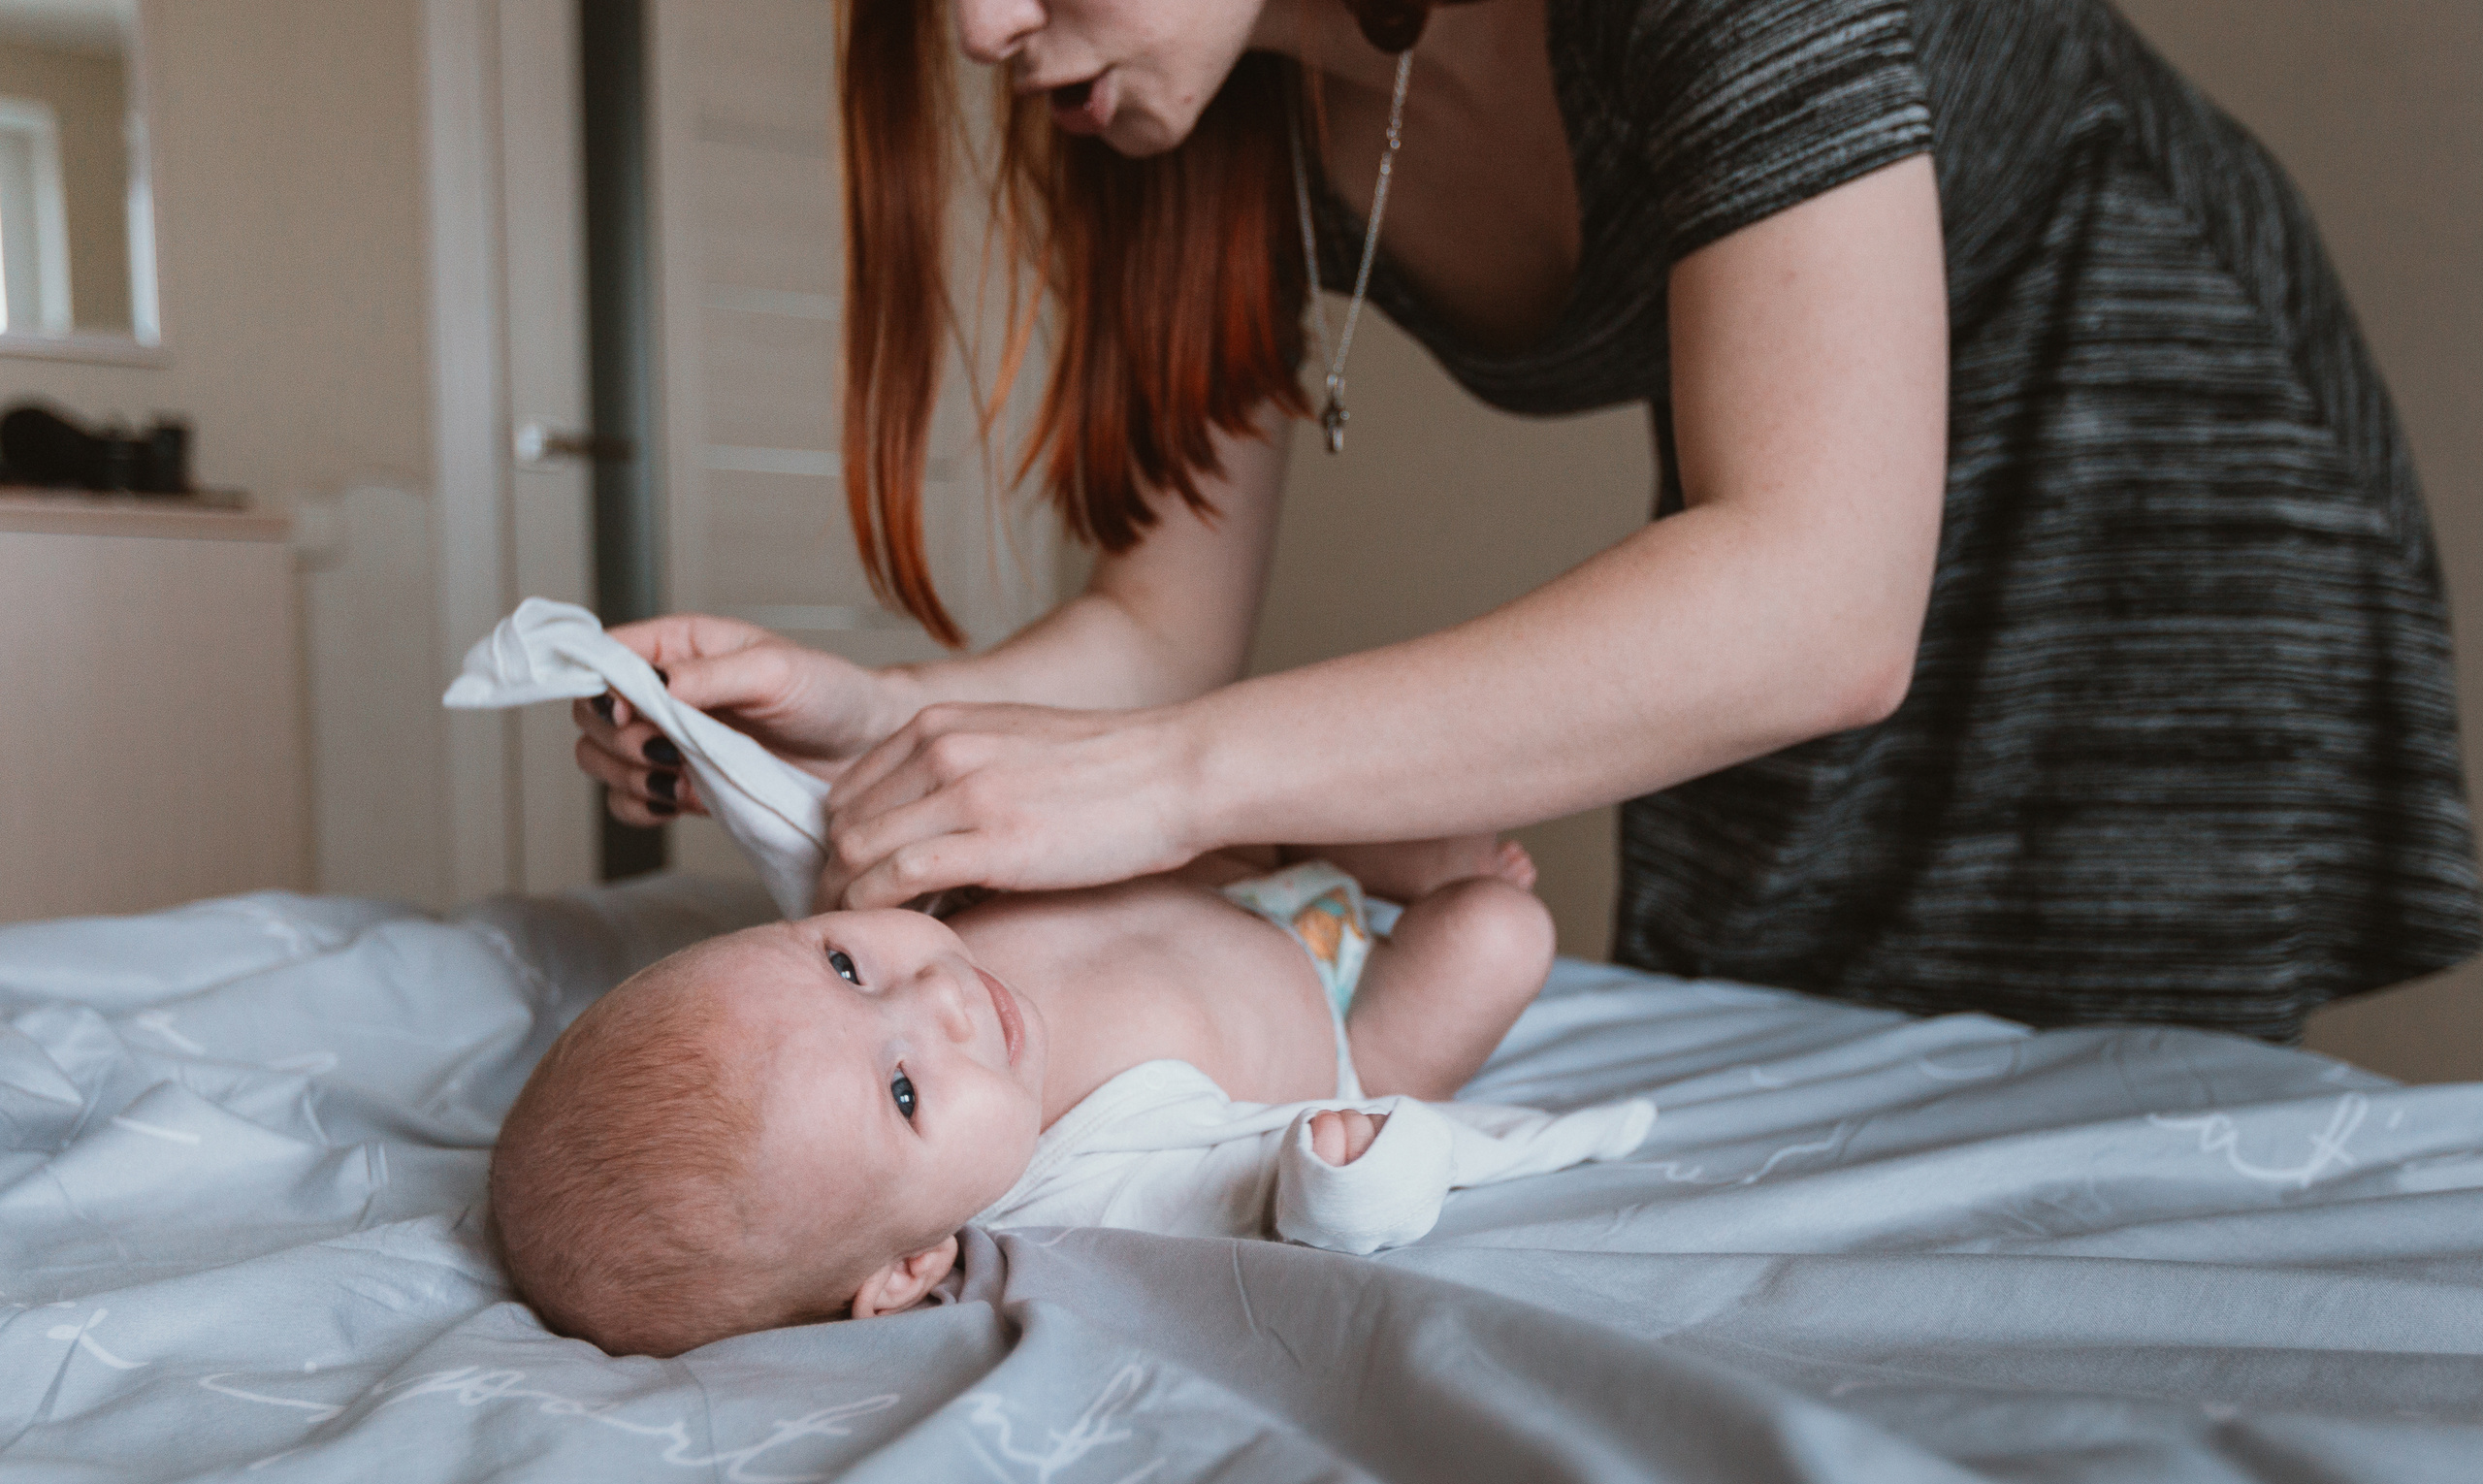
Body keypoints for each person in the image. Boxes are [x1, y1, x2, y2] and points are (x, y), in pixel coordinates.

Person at [573, 0, 2477, 1045]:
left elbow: (1817, 602)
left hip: (2133, 407)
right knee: (1787, 1071)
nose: (981, 24)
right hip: (1792, 514)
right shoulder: (1184, 114)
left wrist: (1176, 783)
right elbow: (1158, 632)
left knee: (2094, 1143)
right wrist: (881, 726)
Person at [490, 839, 1655, 1358]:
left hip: (1229, 877)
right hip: (1344, 1011)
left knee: (1319, 784)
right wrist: (1347, 1173)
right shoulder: (1081, 1187)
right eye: (901, 1092)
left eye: (845, 965)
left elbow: (810, 818)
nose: (937, 998)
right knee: (1499, 933)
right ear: (907, 1270)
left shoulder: (929, 938)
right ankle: (1421, 893)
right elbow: (1285, 1213)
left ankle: (1374, 852)